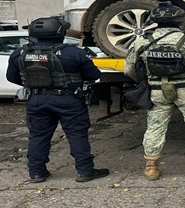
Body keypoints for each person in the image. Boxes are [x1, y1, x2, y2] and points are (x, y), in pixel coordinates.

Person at [5, 16, 109, 183]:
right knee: (77, 134)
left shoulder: (20, 53)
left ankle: (37, 173)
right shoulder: (74, 53)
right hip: (69, 100)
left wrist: (35, 85)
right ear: (60, 33)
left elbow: (12, 77)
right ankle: (85, 171)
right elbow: (94, 75)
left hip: (36, 99)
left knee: (38, 136)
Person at [124, 2, 185, 181]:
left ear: (154, 20)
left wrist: (145, 79)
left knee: (155, 127)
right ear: (181, 20)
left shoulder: (142, 41)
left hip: (157, 90)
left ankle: (151, 168)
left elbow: (129, 70)